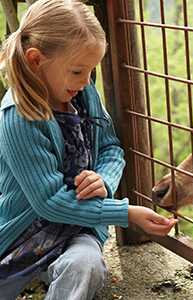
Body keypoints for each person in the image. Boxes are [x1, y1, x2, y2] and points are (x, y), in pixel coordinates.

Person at [0, 0, 177, 299]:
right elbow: (50, 202)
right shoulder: (18, 117)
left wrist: (103, 180)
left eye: (91, 72)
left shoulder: (81, 91)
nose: (86, 81)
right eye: (78, 71)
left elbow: (110, 148)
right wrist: (126, 212)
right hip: (22, 238)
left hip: (77, 231)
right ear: (35, 61)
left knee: (86, 267)